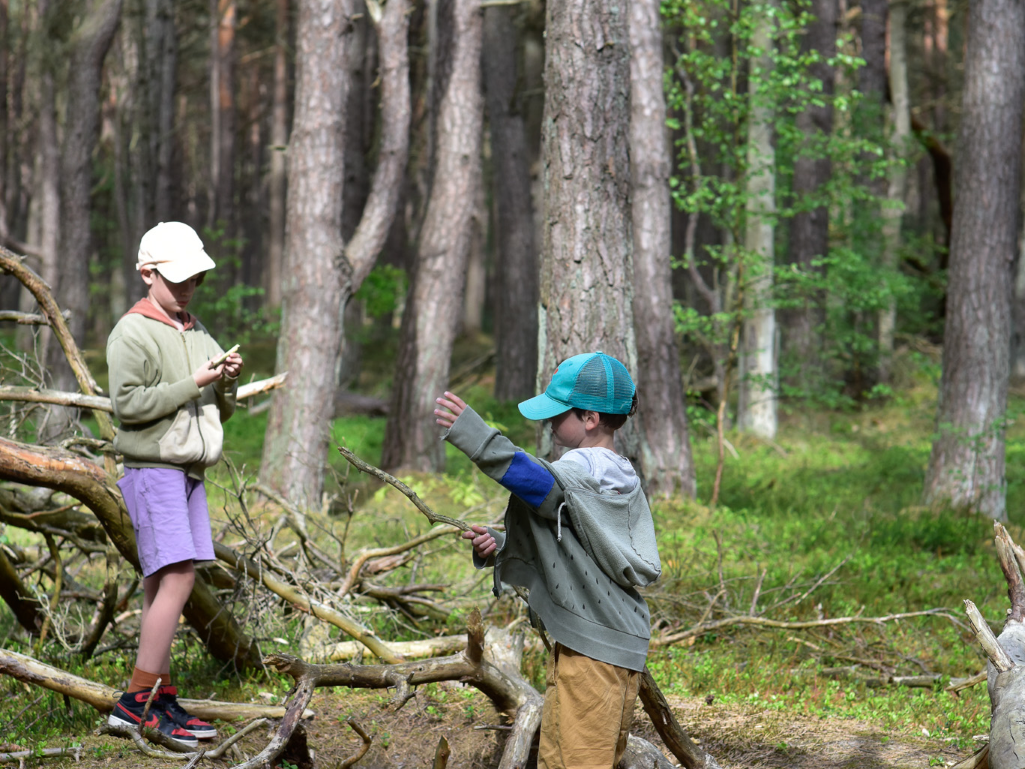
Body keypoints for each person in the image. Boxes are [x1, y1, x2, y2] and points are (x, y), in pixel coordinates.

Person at [434, 351, 661, 769]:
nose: (550, 422)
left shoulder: (582, 470)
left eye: (559, 413)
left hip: (597, 652)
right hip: (597, 642)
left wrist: (476, 437)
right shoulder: (616, 473)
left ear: (590, 418)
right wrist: (503, 544)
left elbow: (534, 481)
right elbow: (578, 548)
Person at [105, 222, 243, 747]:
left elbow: (218, 410)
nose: (188, 288)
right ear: (148, 273)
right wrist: (196, 381)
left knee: (161, 583)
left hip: (189, 471)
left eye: (196, 278)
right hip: (153, 468)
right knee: (180, 577)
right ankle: (135, 703)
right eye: (178, 278)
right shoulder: (132, 332)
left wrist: (224, 382)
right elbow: (128, 407)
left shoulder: (198, 331)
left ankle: (161, 696)